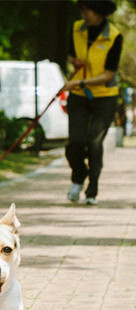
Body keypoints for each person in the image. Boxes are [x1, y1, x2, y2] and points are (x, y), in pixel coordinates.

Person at [62, 0, 122, 205]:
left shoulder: (114, 36)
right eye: (82, 10)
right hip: (79, 96)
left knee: (95, 143)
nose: (84, 14)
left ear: (101, 12)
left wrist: (80, 81)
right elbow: (71, 54)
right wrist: (74, 62)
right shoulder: (76, 28)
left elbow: (108, 75)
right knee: (75, 142)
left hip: (105, 96)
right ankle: (79, 175)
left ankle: (92, 189)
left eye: (88, 11)